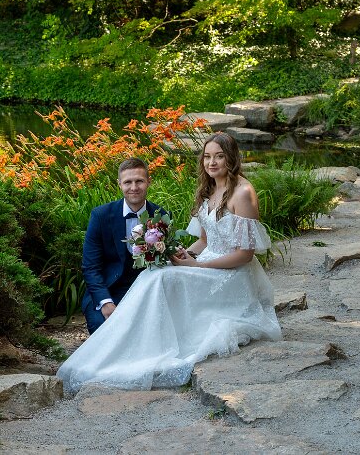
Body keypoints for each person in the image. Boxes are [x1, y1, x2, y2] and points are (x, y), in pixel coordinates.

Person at [57, 133, 281, 393]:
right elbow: (205, 240)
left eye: (219, 156)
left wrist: (196, 266)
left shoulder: (243, 192)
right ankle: (143, 340)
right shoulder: (209, 190)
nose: (212, 162)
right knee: (161, 272)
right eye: (207, 156)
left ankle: (155, 346)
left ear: (231, 158)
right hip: (206, 261)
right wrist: (183, 254)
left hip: (232, 271)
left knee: (161, 276)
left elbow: (246, 254)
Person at [81, 157, 166, 334]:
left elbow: (164, 259)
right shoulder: (101, 216)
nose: (134, 187)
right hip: (109, 289)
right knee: (104, 331)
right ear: (119, 184)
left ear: (148, 182)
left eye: (139, 181)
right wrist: (105, 302)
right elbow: (90, 267)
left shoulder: (160, 215)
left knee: (152, 332)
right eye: (128, 182)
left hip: (146, 291)